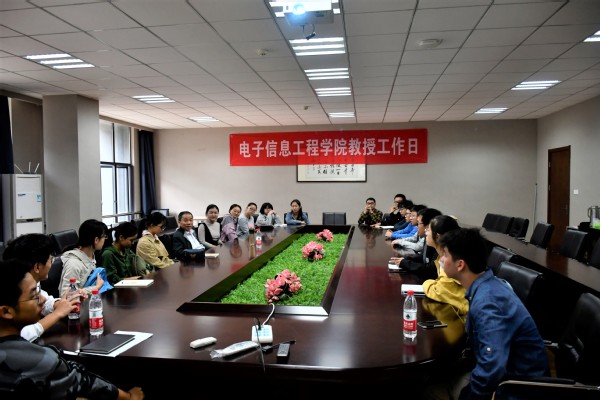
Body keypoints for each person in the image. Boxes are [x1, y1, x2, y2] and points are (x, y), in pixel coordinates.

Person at [425, 228, 549, 400]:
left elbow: (492, 367)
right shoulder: (484, 286)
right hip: (503, 373)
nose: (441, 260)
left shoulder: (488, 302)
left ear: (460, 265)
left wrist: (468, 396)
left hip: (517, 387)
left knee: (426, 390)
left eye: (445, 255)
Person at [0, 259, 144, 399]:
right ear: (6, 311)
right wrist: (129, 397)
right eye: (34, 296)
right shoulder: (40, 360)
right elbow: (83, 382)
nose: (42, 300)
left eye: (39, 292)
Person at [2, 233, 79, 342]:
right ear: (37, 267)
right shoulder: (12, 285)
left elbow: (45, 299)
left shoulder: (30, 280)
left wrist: (61, 304)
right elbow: (23, 334)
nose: (41, 299)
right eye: (51, 259)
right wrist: (57, 313)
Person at [421, 215, 469, 317]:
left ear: (437, 236)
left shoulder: (452, 260)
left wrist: (427, 283)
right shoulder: (442, 256)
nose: (425, 232)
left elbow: (438, 291)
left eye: (428, 230)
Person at [59, 219, 108, 296]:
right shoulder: (73, 264)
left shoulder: (90, 256)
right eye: (104, 236)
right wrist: (97, 287)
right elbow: (67, 295)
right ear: (96, 240)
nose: (105, 239)